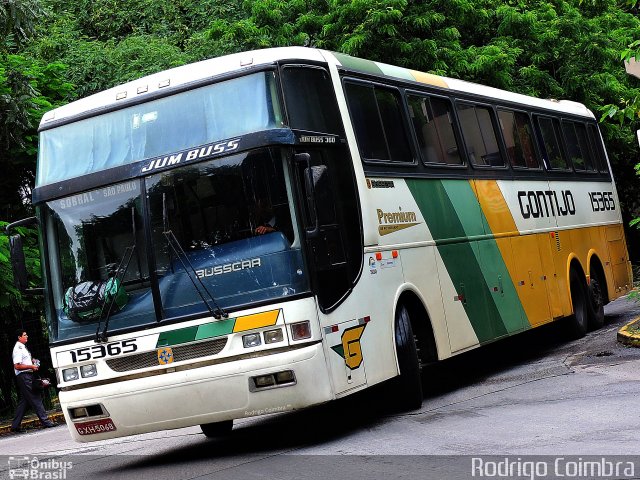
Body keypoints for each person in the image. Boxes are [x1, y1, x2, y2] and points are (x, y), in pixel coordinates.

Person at [11, 329, 56, 432]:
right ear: (19, 337)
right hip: (24, 376)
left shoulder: (23, 348)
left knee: (24, 402)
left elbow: (23, 361)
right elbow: (17, 366)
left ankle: (15, 426)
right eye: (24, 335)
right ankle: (45, 421)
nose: (27, 336)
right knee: (35, 397)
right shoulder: (18, 348)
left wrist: (32, 361)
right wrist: (31, 366)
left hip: (27, 375)